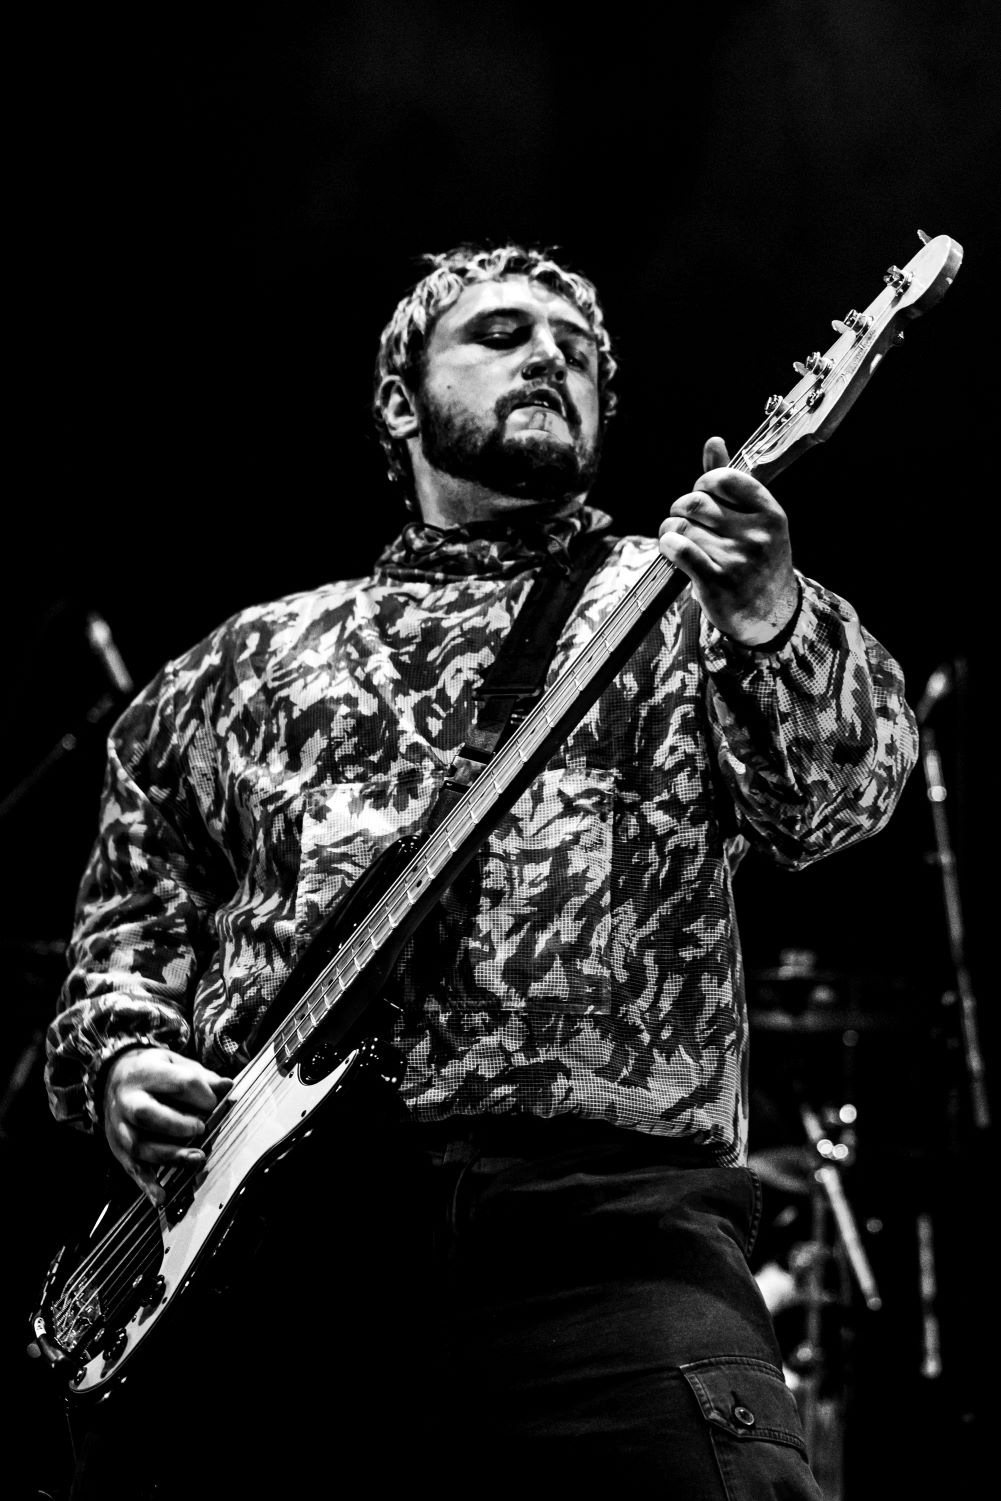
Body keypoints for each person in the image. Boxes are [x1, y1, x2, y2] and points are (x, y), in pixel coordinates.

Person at [44, 243, 917, 1499]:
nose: (548, 357)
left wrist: (773, 616)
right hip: (275, 1271)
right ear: (398, 402)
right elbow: (133, 912)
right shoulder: (243, 664)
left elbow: (840, 800)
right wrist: (124, 1058)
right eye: (501, 334)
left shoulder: (681, 603)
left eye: (577, 353)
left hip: (609, 1246)